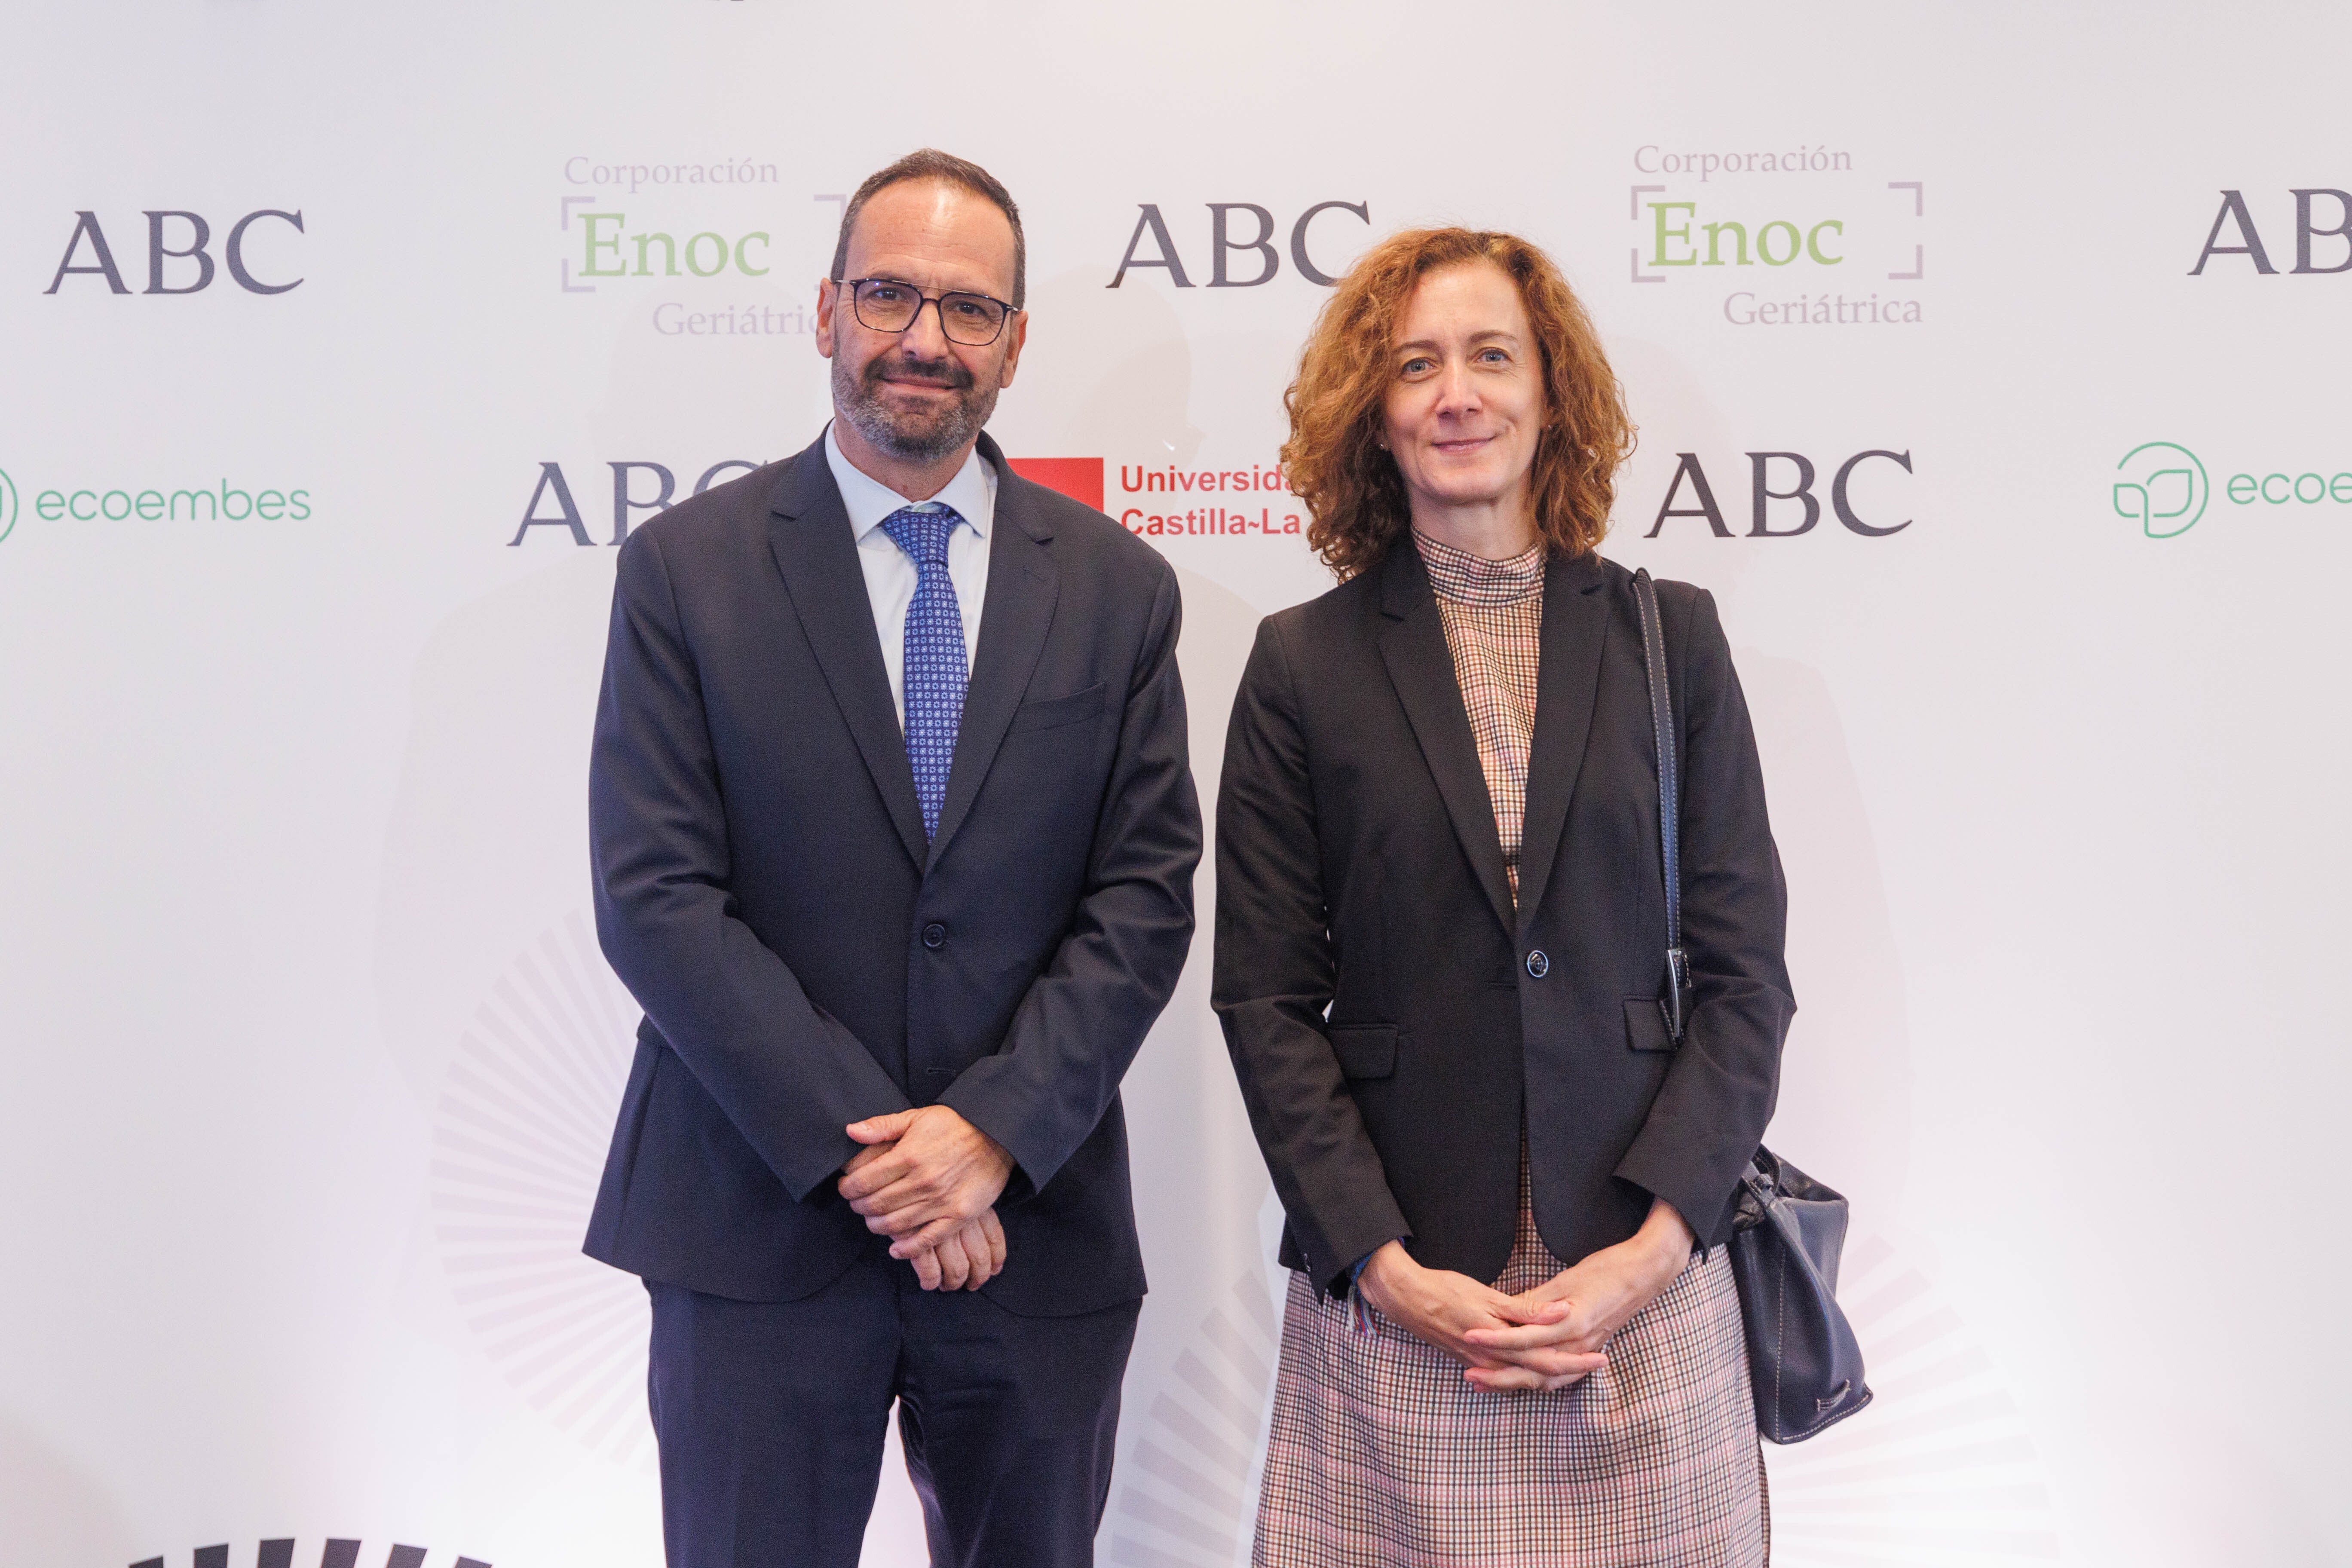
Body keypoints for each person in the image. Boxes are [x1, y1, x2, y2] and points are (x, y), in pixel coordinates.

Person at [583, 148, 1201, 1568]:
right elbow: (656, 898)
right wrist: (885, 1163)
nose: (924, 338)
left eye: (969, 308)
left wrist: (987, 1135)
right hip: (756, 1224)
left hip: (1028, 1229)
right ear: (825, 313)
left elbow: (1142, 899)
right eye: (889, 295)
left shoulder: (1118, 592)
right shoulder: (688, 569)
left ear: (1017, 342)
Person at [1213, 227, 1792, 1565]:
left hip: (1642, 1277)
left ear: (1552, 392)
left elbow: (1744, 974)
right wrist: (1380, 1263)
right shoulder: (1301, 664)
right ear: (1376, 409)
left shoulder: (1672, 639)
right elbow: (1266, 998)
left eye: (1491, 355)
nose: (1456, 394)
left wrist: (1652, 1252)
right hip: (1405, 1299)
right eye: (1415, 365)